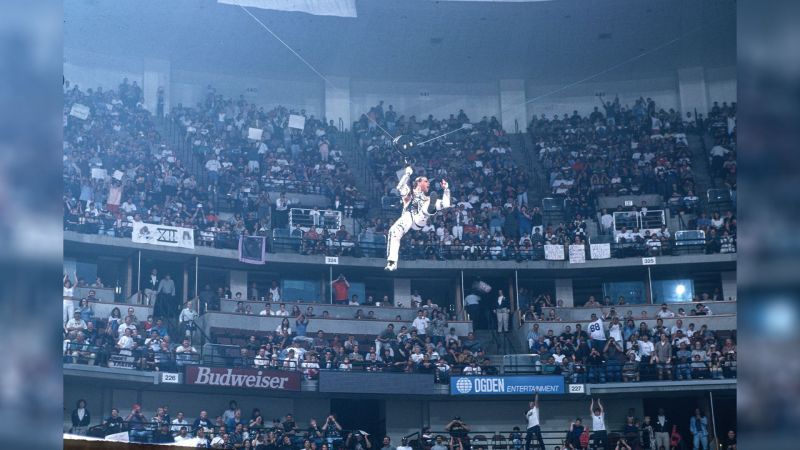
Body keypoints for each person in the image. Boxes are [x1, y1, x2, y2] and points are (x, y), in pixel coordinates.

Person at [385, 166, 451, 271]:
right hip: (408, 218)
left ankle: (429, 210)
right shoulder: (409, 193)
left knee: (429, 203)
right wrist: (407, 174)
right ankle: (392, 262)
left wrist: (446, 189)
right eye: (426, 181)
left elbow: (446, 204)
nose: (429, 183)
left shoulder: (428, 198)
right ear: (418, 183)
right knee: (393, 231)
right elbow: (400, 187)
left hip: (420, 220)